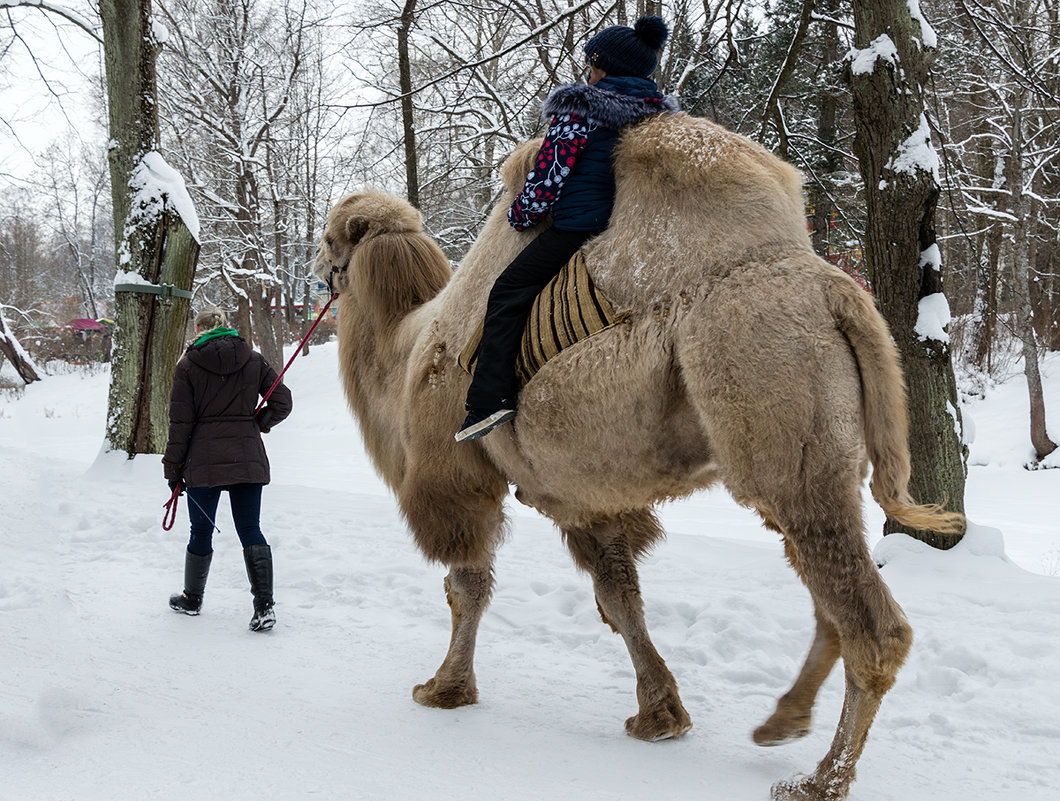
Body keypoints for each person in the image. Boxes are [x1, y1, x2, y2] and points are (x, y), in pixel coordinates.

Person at [455, 15, 679, 443]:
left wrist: (520, 216)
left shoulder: (580, 109)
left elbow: (548, 178)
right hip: (632, 233)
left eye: (593, 64)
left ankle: (489, 399)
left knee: (506, 293)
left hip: (579, 230)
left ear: (604, 67)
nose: (588, 72)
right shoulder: (656, 115)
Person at [162, 307, 293, 631]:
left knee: (200, 531)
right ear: (226, 327)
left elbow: (180, 424)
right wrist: (258, 423)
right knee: (250, 528)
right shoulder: (253, 359)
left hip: (202, 461)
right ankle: (264, 608)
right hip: (245, 457)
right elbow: (283, 402)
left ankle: (192, 599)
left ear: (199, 330)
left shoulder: (188, 364)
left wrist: (173, 469)